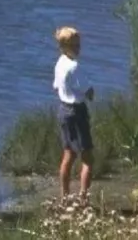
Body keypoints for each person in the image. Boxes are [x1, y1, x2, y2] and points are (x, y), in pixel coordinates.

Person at [52, 26, 95, 202]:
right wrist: (89, 92)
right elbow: (89, 92)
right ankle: (83, 199)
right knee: (88, 158)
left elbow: (56, 86)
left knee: (69, 153)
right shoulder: (74, 66)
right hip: (76, 111)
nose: (78, 48)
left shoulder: (60, 62)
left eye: (78, 45)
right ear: (64, 46)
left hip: (63, 110)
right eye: (75, 45)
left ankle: (65, 196)